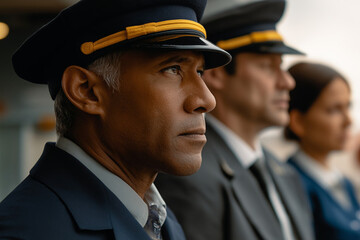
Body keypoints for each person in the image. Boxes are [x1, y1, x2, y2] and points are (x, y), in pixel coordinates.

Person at [0, 0, 232, 239]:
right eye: (172, 69)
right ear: (86, 90)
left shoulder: (161, 220)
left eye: (199, 72)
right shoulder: (28, 232)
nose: (206, 99)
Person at [154, 0, 313, 240]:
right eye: (268, 67)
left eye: (282, 66)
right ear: (217, 73)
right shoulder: (190, 177)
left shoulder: (285, 174)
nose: (287, 82)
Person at [285, 62, 360, 240]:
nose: (349, 120)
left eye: (348, 107)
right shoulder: (291, 185)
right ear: (298, 122)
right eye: (334, 110)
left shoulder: (343, 182)